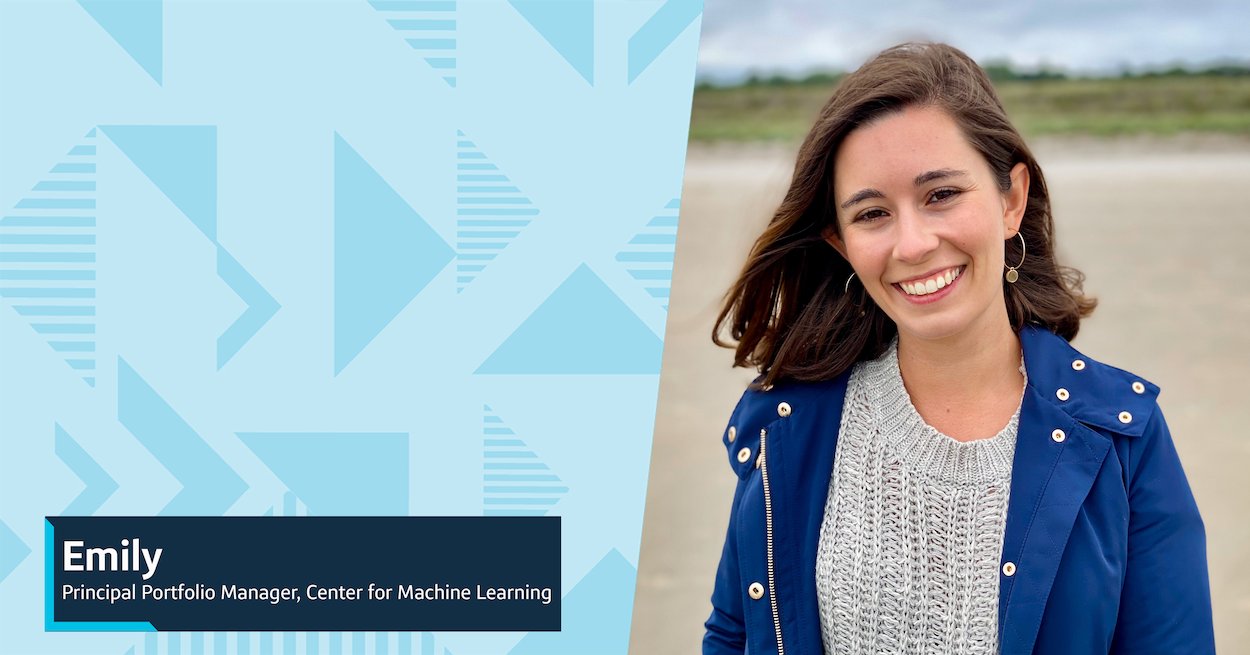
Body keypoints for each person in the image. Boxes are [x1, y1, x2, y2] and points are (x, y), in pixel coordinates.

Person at [701, 42, 1215, 655]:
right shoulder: (788, 423)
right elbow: (735, 635)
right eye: (872, 214)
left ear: (1011, 200)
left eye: (941, 194)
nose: (913, 244)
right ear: (840, 243)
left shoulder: (1121, 435)